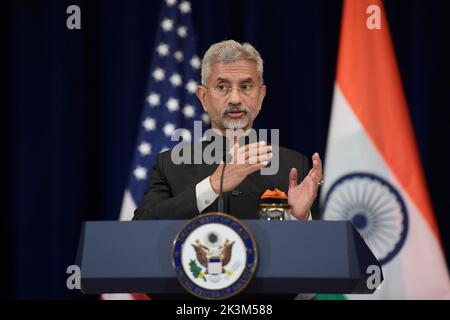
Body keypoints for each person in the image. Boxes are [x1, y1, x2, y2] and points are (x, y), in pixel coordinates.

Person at [133, 40, 323, 222]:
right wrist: (213, 185)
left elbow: (316, 249)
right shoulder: (170, 165)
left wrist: (300, 218)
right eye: (222, 87)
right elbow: (141, 227)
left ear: (261, 95)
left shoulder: (293, 166)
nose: (235, 99)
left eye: (246, 86)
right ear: (204, 97)